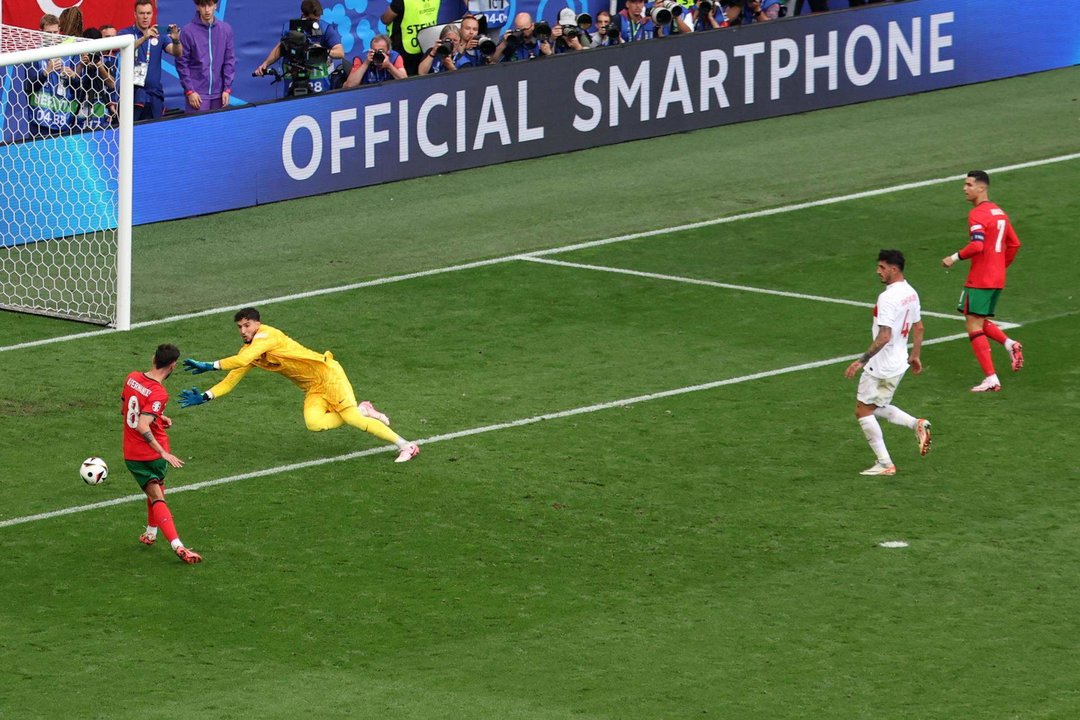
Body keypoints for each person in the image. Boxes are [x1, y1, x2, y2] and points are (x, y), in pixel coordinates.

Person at [178, 308, 420, 463]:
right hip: (314, 388)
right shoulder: (250, 351)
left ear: (257, 324)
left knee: (354, 420)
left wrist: (209, 365)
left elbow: (239, 361)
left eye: (247, 325)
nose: (243, 331)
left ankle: (406, 445)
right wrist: (207, 396)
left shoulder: (267, 337)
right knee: (314, 424)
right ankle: (362, 409)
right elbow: (231, 379)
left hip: (328, 375)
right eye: (240, 327)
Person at [844, 250, 932, 476]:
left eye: (882, 267)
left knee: (862, 411)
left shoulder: (888, 297)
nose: (878, 271)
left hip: (882, 364)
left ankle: (885, 464)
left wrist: (861, 361)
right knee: (876, 406)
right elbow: (919, 326)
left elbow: (884, 336)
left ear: (894, 269)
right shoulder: (911, 293)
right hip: (899, 361)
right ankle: (916, 424)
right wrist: (915, 355)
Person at [941, 170, 1024, 392]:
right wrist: (1000, 265)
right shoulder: (1000, 213)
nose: (964, 188)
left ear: (981, 188)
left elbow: (977, 245)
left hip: (980, 277)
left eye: (969, 184)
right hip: (997, 278)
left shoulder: (977, 214)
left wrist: (954, 257)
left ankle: (991, 378)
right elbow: (1014, 244)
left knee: (972, 323)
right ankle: (1010, 344)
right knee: (976, 319)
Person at [122, 344, 202, 564]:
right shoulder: (159, 392)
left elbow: (128, 408)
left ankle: (151, 532)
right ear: (172, 365)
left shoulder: (132, 378)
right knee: (158, 496)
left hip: (132, 452)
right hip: (149, 455)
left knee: (155, 490)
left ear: (153, 358)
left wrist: (159, 416)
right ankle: (178, 546)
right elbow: (142, 424)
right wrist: (162, 452)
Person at [253, 0, 344, 94]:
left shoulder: (325, 28)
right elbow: (280, 48)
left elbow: (340, 52)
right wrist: (265, 64)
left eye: (318, 19)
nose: (316, 22)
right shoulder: (290, 28)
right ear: (303, 15)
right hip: (293, 82)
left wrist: (324, 50)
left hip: (319, 84)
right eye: (312, 20)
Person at [119, 0, 182, 121]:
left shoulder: (160, 34)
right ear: (135, 14)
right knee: (131, 133)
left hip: (154, 95)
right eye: (141, 13)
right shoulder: (125, 33)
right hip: (132, 95)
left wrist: (176, 40)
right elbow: (123, 51)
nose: (145, 17)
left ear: (152, 14)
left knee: (154, 131)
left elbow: (177, 53)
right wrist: (144, 38)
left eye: (148, 13)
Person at [176, 0, 235, 113]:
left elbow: (229, 61)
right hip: (197, 96)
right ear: (197, 6)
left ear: (215, 5)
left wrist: (227, 89)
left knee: (218, 130)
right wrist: (190, 91)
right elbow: (182, 63)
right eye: (203, 5)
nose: (207, 9)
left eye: (210, 5)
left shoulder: (226, 30)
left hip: (220, 95)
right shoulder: (188, 31)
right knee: (197, 130)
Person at [381, 0, 441, 76]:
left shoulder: (401, 1)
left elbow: (385, 19)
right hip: (427, 46)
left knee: (408, 83)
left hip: (405, 48)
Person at [342, 34, 408, 88]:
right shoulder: (361, 59)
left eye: (380, 51)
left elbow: (406, 81)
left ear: (388, 51)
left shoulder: (395, 57)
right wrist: (366, 63)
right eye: (374, 51)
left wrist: (389, 66)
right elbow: (350, 85)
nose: (377, 54)